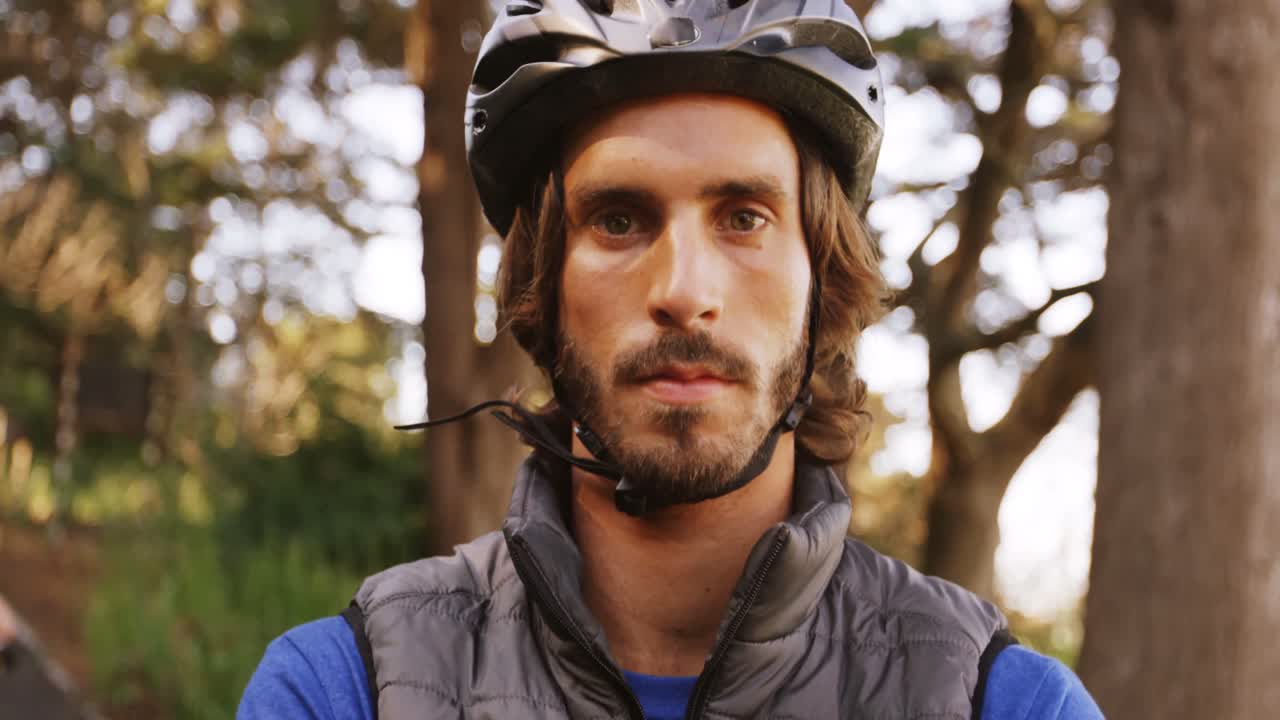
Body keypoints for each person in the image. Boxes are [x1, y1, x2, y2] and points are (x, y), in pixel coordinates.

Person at [239, 2, 1102, 718]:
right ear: (543, 284)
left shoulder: (1001, 702)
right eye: (619, 220)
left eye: (744, 218)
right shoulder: (349, 689)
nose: (684, 291)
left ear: (823, 277)